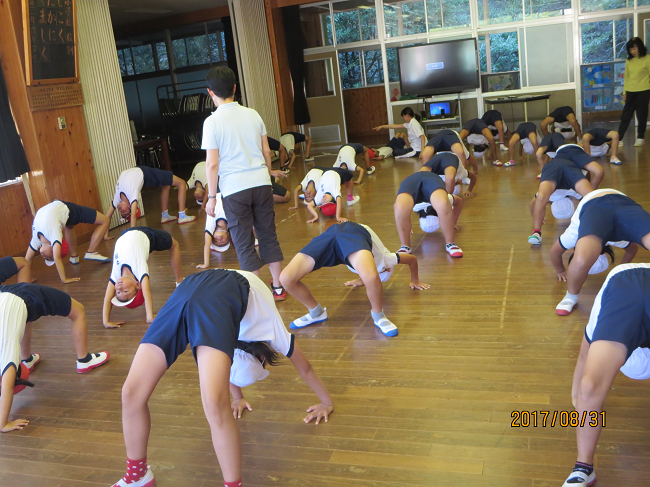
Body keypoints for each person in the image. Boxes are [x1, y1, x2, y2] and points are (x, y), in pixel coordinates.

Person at [111, 269, 333, 487]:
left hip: (193, 284)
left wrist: (238, 398)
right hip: (225, 285)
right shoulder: (273, 330)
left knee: (132, 392)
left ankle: (138, 475)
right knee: (211, 404)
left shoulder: (235, 336)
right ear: (262, 357)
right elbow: (306, 369)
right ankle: (137, 476)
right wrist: (326, 403)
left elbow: (229, 365)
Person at [202, 66, 287, 301]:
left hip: (234, 189)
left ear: (210, 92)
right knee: (268, 234)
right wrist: (267, 176)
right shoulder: (253, 114)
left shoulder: (211, 122)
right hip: (261, 183)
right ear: (234, 88)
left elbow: (212, 164)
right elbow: (267, 151)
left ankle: (257, 294)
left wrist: (212, 197)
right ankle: (278, 287)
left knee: (243, 241)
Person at [562, 263, 650, 487]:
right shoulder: (619, 293)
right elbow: (585, 355)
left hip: (630, 285)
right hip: (628, 284)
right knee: (589, 387)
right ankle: (583, 468)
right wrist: (579, 397)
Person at [280, 222, 430, 338]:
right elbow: (412, 259)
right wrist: (415, 280)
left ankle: (378, 316)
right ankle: (316, 312)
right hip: (353, 231)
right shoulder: (387, 260)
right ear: (388, 269)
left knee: (286, 278)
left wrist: (360, 280)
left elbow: (366, 273)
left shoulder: (365, 267)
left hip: (336, 238)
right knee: (286, 278)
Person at [0, 283, 109, 432]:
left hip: (16, 296)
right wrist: (2, 423)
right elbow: (7, 384)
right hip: (19, 296)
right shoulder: (8, 348)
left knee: (22, 317)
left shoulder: (7, 348)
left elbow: (7, 385)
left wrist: (3, 423)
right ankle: (85, 360)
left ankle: (28, 360)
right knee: (78, 310)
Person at [549, 188, 649, 315]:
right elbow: (632, 249)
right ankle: (571, 297)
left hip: (595, 203)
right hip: (622, 203)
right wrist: (620, 270)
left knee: (581, 260)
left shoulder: (574, 234)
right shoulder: (618, 240)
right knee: (582, 260)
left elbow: (554, 252)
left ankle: (571, 296)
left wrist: (561, 271)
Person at [102, 227, 183, 328]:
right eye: (125, 291)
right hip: (145, 235)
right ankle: (180, 282)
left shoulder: (116, 274)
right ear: (138, 284)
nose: (119, 288)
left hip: (125, 233)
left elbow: (107, 298)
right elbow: (147, 292)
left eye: (118, 292)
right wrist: (149, 316)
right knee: (174, 245)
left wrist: (106, 321)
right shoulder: (139, 270)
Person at [25, 200, 112, 284]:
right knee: (70, 225)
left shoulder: (41, 237)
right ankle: (74, 256)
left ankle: (91, 251)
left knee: (105, 220)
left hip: (66, 208)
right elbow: (28, 259)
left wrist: (64, 279)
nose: (45, 257)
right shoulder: (51, 236)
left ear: (54, 249)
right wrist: (27, 279)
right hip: (58, 209)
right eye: (49, 258)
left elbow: (56, 258)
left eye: (50, 258)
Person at [394, 172, 463, 257]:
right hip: (431, 179)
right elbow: (459, 201)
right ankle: (405, 246)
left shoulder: (414, 207)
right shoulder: (446, 199)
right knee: (443, 204)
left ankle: (450, 243)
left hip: (417, 180)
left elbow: (397, 207)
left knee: (401, 208)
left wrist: (406, 225)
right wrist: (453, 222)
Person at [527, 158, 594, 245]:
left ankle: (536, 232)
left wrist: (537, 217)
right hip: (555, 166)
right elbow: (532, 204)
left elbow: (532, 204)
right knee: (541, 197)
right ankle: (536, 232)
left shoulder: (576, 193)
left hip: (567, 165)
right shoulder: (551, 195)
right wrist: (537, 218)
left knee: (591, 195)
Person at [105, 166, 196, 226]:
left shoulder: (117, 199)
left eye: (121, 213)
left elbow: (107, 217)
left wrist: (105, 235)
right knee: (181, 183)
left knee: (166, 185)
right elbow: (133, 217)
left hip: (138, 170)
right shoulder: (133, 195)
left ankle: (165, 216)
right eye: (124, 212)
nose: (120, 210)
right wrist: (133, 233)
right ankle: (182, 216)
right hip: (145, 174)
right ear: (131, 207)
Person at [617, 37, 650, 147]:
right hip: (630, 91)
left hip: (643, 90)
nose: (633, 51)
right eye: (630, 50)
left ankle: (640, 137)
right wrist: (625, 92)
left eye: (634, 49)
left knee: (641, 115)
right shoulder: (629, 60)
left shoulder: (647, 58)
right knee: (625, 116)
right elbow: (626, 77)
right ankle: (619, 138)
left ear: (640, 47)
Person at [197, 194, 231, 270]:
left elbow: (207, 244)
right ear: (228, 236)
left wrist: (206, 264)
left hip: (215, 193)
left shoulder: (211, 225)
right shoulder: (233, 222)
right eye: (223, 242)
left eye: (216, 241)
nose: (219, 240)